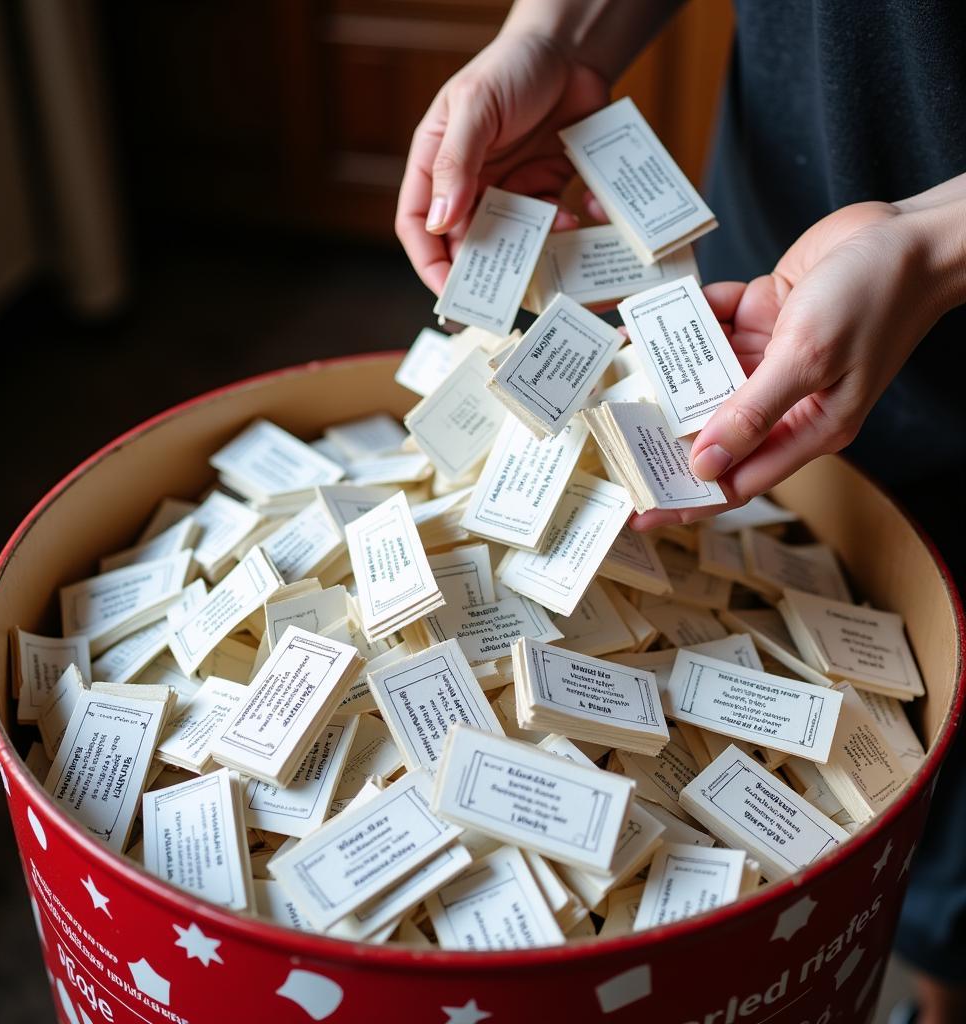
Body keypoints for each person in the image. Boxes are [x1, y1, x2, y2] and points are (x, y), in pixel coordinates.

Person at [394, 3, 966, 1022]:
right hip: (781, 262)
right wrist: (559, 41)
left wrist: (930, 245)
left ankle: (935, 976)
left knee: (948, 841)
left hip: (911, 293)